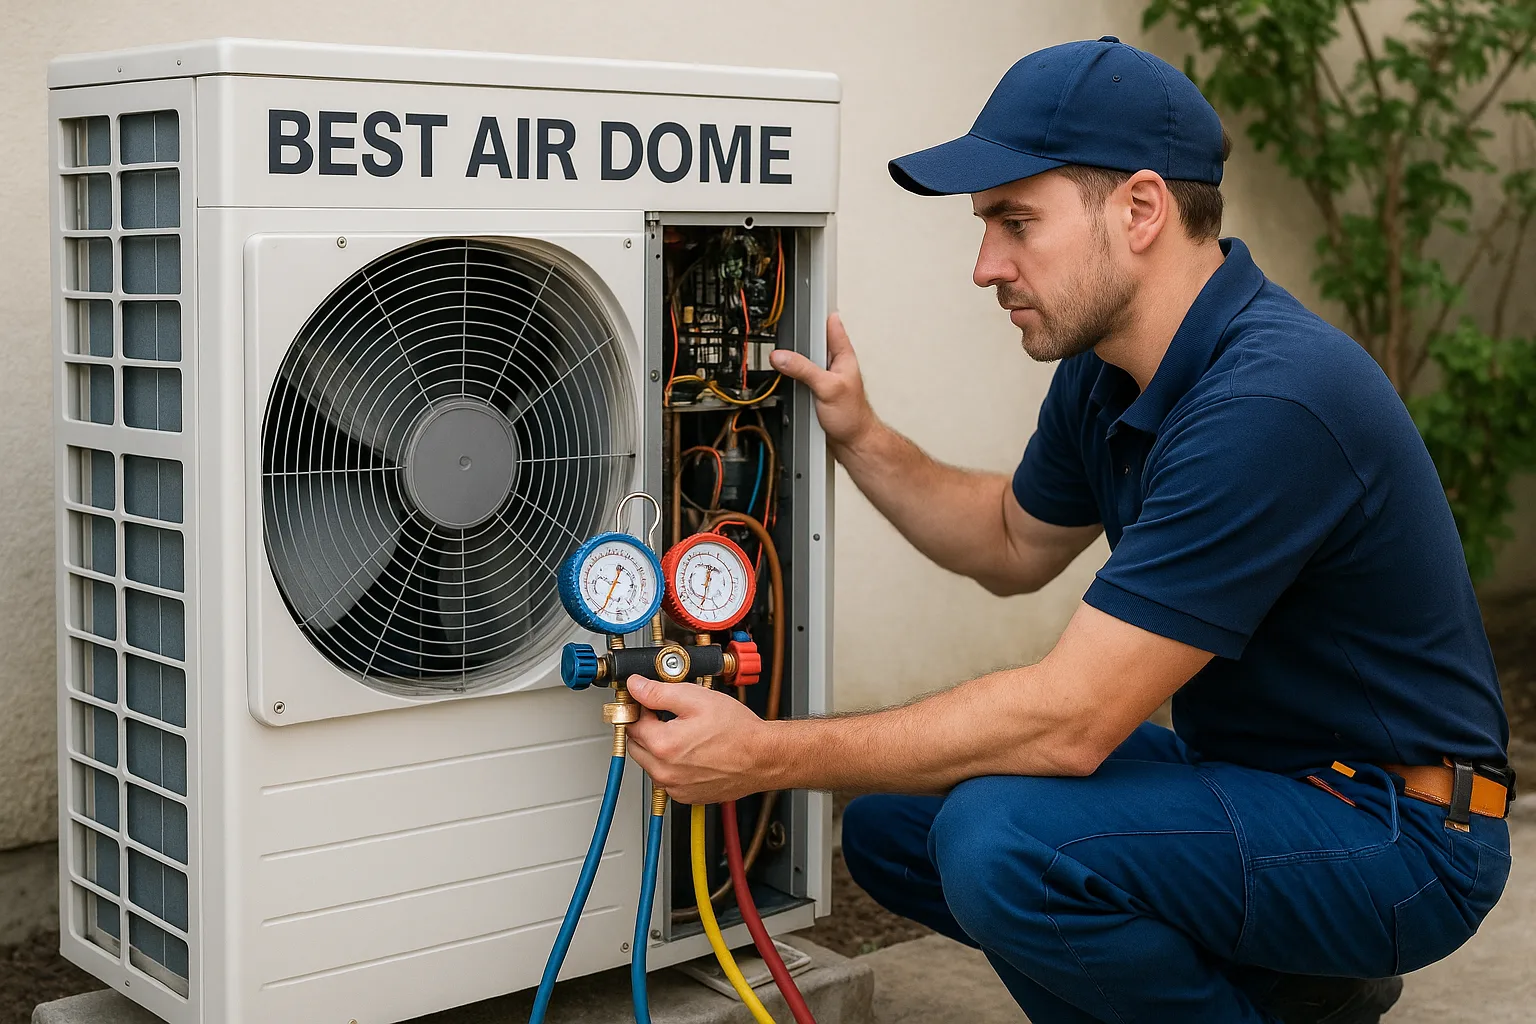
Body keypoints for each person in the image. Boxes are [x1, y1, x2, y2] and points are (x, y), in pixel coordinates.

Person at [624, 35, 1514, 1024]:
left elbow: (1068, 722)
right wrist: (860, 437)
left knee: (1003, 842)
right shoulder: (1108, 374)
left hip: (1401, 831)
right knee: (895, 828)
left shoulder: (1273, 397)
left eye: (1015, 221)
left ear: (1139, 210)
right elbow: (1010, 541)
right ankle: (1305, 989)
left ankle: (1297, 976)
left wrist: (765, 754)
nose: (984, 265)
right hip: (1263, 786)